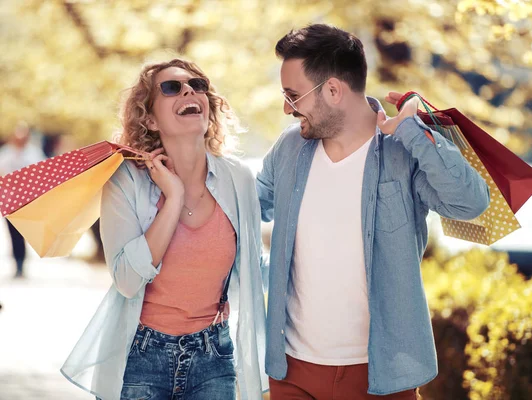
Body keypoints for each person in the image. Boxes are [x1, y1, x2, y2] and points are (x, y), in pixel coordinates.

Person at [257, 24, 490, 399]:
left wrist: (415, 132)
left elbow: (470, 203)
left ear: (333, 90)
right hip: (292, 373)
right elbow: (244, 211)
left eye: (293, 95)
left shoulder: (402, 149)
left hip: (381, 377)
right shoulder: (288, 149)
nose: (287, 107)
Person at [61, 59, 268, 400]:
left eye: (198, 85)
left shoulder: (238, 178)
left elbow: (253, 268)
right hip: (141, 356)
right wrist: (172, 199)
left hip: (214, 357)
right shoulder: (125, 180)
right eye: (171, 87)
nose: (189, 90)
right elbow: (127, 280)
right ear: (150, 118)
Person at [0, 122, 46, 278]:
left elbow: (42, 172)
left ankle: (22, 262)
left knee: (23, 233)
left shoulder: (34, 153)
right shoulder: (5, 153)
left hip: (27, 201)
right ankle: (18, 264)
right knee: (13, 234)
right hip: (9, 201)